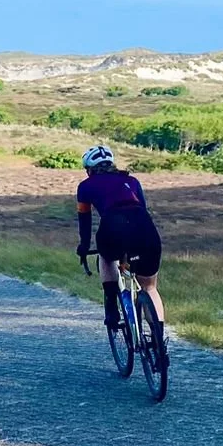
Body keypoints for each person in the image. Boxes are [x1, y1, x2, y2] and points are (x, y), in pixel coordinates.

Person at [75, 145, 167, 362]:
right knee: (150, 286)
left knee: (107, 257)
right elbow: (142, 208)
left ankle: (111, 308)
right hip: (145, 229)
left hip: (113, 227)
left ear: (89, 169)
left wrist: (83, 247)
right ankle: (159, 342)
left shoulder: (85, 186)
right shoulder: (132, 181)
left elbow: (85, 221)